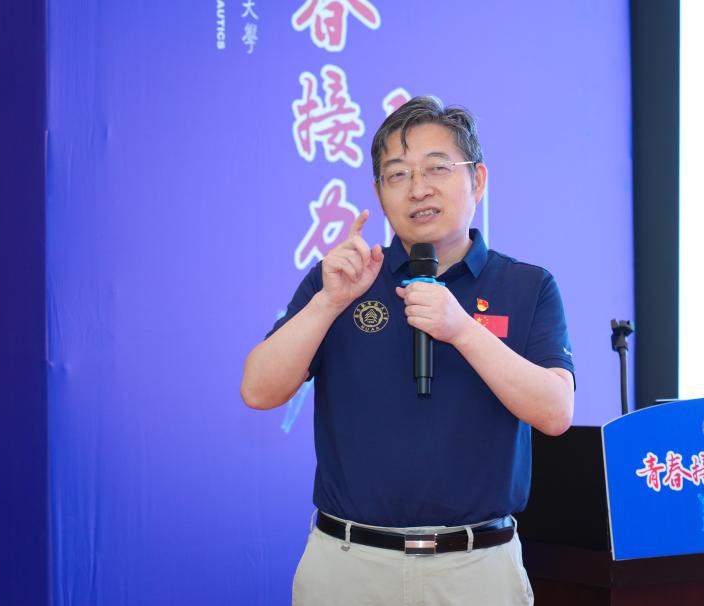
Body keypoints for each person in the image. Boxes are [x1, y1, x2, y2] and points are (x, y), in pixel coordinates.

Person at [241, 95, 575, 606]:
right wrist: (329, 302)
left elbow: (555, 412)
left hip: (477, 568)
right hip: (349, 565)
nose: (418, 188)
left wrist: (462, 330)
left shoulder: (528, 286)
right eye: (397, 174)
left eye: (437, 168)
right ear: (379, 193)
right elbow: (258, 390)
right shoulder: (347, 278)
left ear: (477, 180)